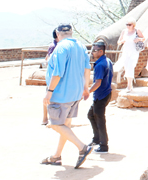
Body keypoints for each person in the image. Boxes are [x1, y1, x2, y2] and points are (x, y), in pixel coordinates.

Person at [41, 23, 93, 168]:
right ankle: (56, 157)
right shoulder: (81, 46)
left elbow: (57, 72)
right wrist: (85, 88)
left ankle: (83, 148)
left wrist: (49, 92)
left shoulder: (61, 48)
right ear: (71, 32)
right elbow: (87, 68)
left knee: (55, 124)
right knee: (66, 126)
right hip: (75, 93)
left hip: (60, 93)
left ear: (57, 34)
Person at [87, 41, 113, 153]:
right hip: (105, 93)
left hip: (101, 96)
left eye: (94, 50)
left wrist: (87, 92)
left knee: (100, 119)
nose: (92, 52)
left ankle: (103, 145)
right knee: (91, 115)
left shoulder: (100, 65)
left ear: (101, 51)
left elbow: (97, 83)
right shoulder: (107, 61)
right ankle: (97, 139)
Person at [116, 20, 144, 91]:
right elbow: (118, 42)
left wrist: (138, 39)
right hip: (125, 51)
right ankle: (130, 85)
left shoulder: (137, 31)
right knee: (126, 67)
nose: (128, 26)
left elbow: (143, 38)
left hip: (134, 51)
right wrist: (121, 42)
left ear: (133, 25)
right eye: (127, 24)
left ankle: (128, 86)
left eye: (129, 24)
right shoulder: (124, 31)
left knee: (131, 67)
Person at [41, 30, 59, 125]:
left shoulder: (56, 45)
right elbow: (49, 59)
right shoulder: (54, 46)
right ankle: (45, 118)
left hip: (53, 74)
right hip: (53, 75)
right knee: (48, 95)